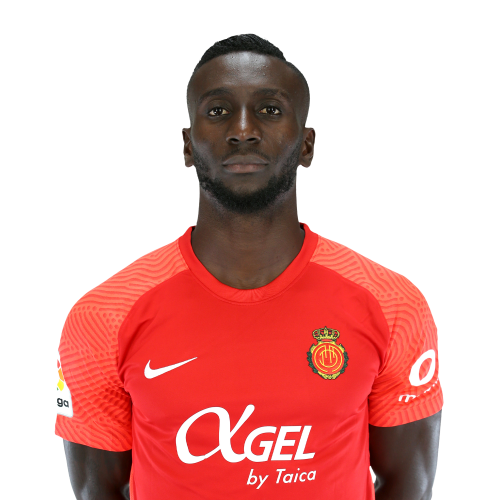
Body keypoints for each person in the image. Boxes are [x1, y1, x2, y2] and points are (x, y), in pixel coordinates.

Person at [55, 33, 443, 500]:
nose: (243, 130)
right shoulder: (102, 315)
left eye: (270, 110)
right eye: (218, 110)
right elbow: (97, 491)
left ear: (307, 146)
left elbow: (409, 485)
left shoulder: (394, 304)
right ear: (187, 146)